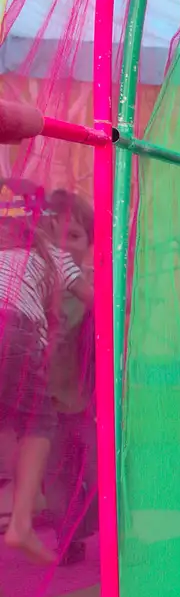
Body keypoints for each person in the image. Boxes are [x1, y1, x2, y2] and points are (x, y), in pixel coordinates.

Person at [0, 179, 92, 564]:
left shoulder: (10, 256)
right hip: (16, 341)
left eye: (76, 235)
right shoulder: (54, 259)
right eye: (61, 231)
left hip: (74, 397)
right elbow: (99, 303)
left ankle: (61, 527)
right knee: (40, 431)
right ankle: (23, 523)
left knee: (55, 456)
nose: (65, 242)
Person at [42, 189, 96, 564]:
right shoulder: (38, 283)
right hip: (46, 403)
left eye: (73, 237)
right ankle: (68, 536)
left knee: (97, 468)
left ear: (89, 245)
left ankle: (109, 531)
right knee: (54, 477)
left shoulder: (92, 285)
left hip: (86, 400)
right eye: (53, 236)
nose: (63, 247)